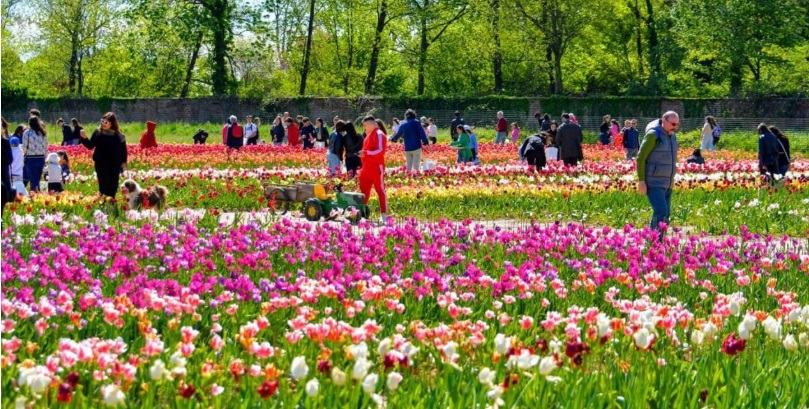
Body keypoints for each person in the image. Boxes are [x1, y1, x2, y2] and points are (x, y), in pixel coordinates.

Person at [637, 111, 680, 236]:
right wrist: (641, 181)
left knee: (666, 214)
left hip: (667, 182)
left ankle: (659, 242)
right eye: (673, 124)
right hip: (654, 181)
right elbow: (640, 158)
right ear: (664, 120)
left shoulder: (672, 136)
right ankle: (652, 241)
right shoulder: (653, 135)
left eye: (677, 124)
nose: (675, 127)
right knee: (661, 211)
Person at [78, 112, 128, 199]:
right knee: (104, 185)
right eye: (102, 121)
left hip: (114, 164)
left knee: (113, 185)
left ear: (112, 123)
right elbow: (90, 146)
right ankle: (103, 202)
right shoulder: (98, 133)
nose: (103, 124)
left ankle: (111, 202)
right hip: (101, 163)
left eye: (106, 122)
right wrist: (84, 137)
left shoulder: (119, 135)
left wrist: (124, 163)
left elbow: (123, 151)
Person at [358, 116, 388, 223]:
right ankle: (362, 213)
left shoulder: (379, 134)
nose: (364, 128)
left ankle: (384, 214)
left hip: (376, 167)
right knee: (364, 191)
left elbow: (380, 150)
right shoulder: (369, 135)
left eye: (365, 125)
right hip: (366, 168)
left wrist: (366, 153)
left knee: (380, 190)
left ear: (371, 124)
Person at [22, 116, 49, 192]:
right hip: (41, 158)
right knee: (37, 178)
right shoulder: (42, 133)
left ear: (29, 123)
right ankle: (37, 193)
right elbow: (46, 146)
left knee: (33, 179)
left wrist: (25, 154)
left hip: (31, 158)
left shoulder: (27, 133)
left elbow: (24, 147)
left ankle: (34, 194)